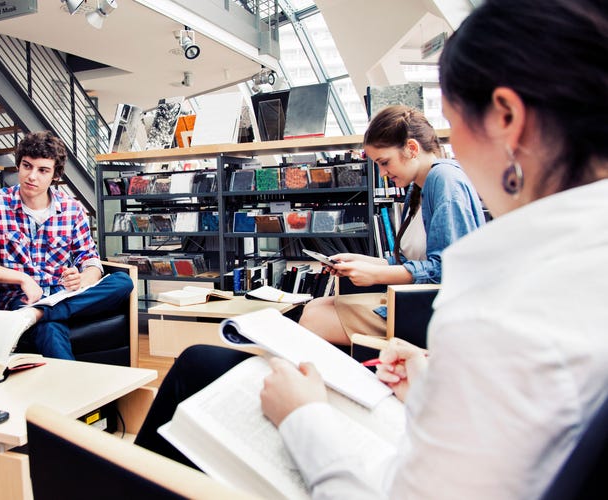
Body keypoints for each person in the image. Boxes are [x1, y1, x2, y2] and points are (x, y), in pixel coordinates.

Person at [136, 0, 608, 497]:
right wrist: (431, 387)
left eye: (454, 123)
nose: (456, 150)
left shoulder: (497, 313)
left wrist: (303, 416)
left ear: (507, 117)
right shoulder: (572, 271)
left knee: (199, 371)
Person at [299, 105, 486, 345]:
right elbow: (413, 262)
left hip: (440, 313)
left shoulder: (444, 181)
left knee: (314, 320)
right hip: (418, 301)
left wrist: (376, 275)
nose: (383, 172)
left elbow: (446, 271)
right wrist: (359, 261)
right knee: (314, 307)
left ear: (412, 148)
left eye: (384, 162)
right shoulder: (419, 187)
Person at [0, 130, 133, 359]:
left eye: (43, 170)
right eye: (27, 166)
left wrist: (82, 279)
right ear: (19, 165)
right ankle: (43, 321)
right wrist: (22, 278)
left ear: (55, 175)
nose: (32, 176)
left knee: (122, 281)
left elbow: (90, 261)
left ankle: (39, 313)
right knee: (49, 329)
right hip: (19, 302)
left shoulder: (72, 209)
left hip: (63, 297)